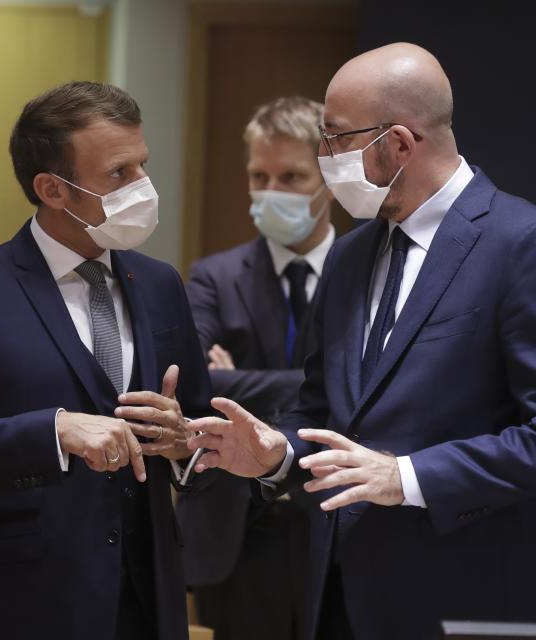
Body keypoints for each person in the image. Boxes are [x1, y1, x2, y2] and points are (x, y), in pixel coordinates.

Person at [188, 42, 536, 640]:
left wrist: (406, 477)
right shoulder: (351, 255)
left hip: (460, 593)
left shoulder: (518, 242)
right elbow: (322, 412)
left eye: (337, 138)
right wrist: (278, 453)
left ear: (399, 143)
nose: (326, 159)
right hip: (337, 594)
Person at [0, 81, 211, 640]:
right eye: (119, 174)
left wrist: (184, 442)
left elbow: (199, 430)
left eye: (144, 165)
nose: (143, 186)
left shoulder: (161, 284)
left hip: (148, 600)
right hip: (22, 604)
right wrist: (53, 432)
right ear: (52, 189)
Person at [177, 96, 334, 640]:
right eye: (258, 175)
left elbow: (379, 390)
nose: (272, 192)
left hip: (338, 519)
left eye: (291, 176)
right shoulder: (213, 277)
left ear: (330, 179)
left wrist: (236, 378)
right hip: (235, 532)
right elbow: (196, 388)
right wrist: (328, 382)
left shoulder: (364, 272)